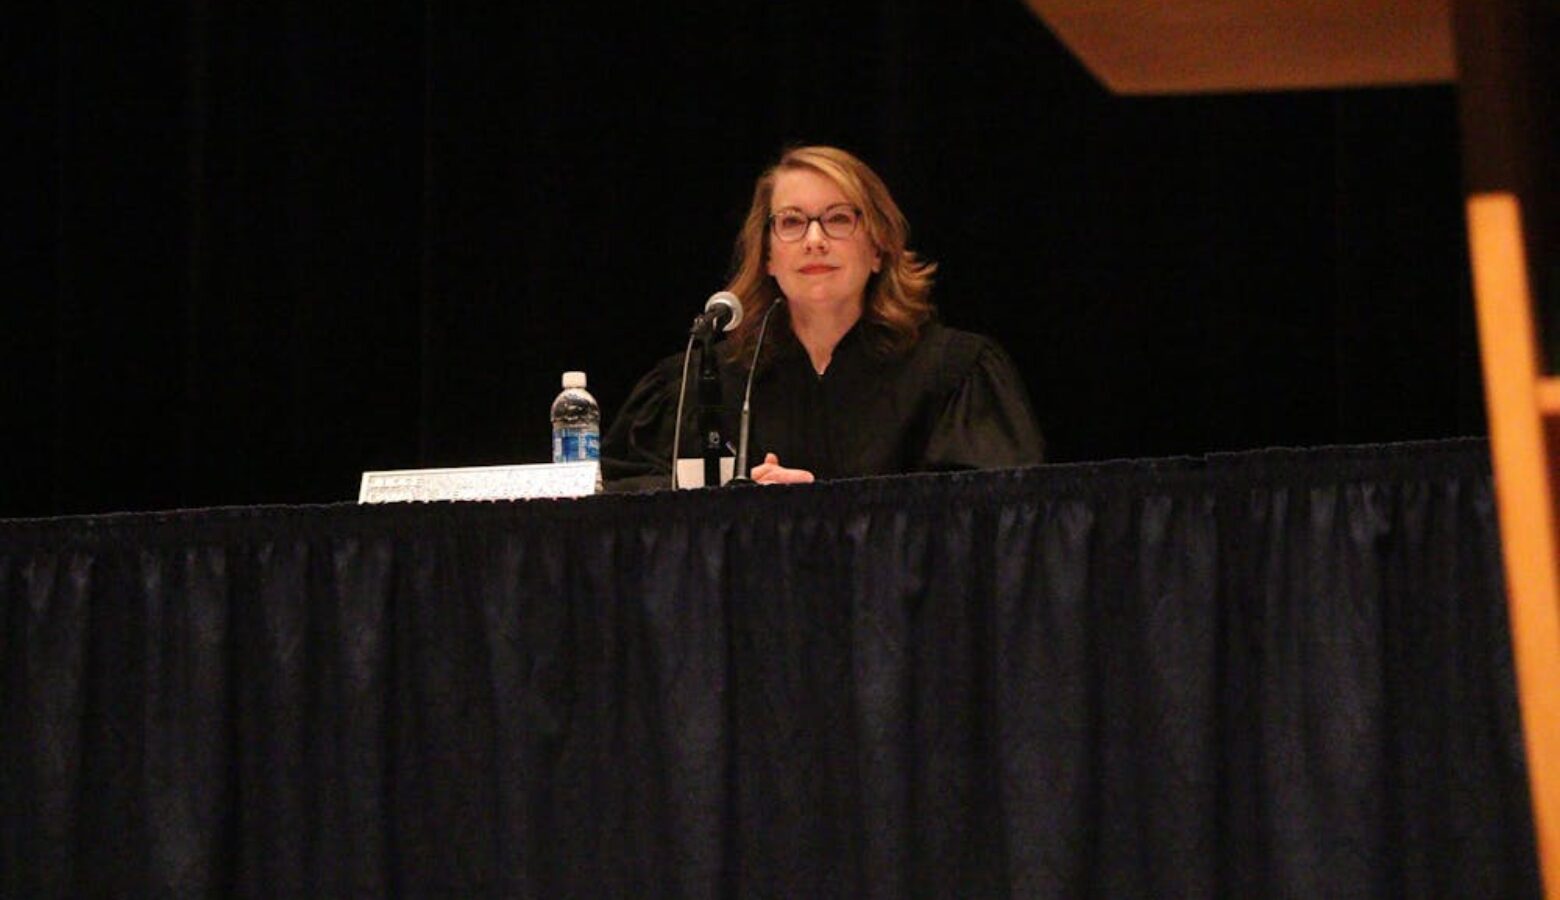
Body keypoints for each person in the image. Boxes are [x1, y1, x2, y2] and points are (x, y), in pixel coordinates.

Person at [601, 145, 1043, 490]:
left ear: (878, 247)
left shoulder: (952, 374)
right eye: (791, 222)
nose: (814, 240)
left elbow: (987, 523)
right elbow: (625, 506)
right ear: (768, 256)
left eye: (837, 219)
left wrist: (825, 505)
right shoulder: (703, 382)